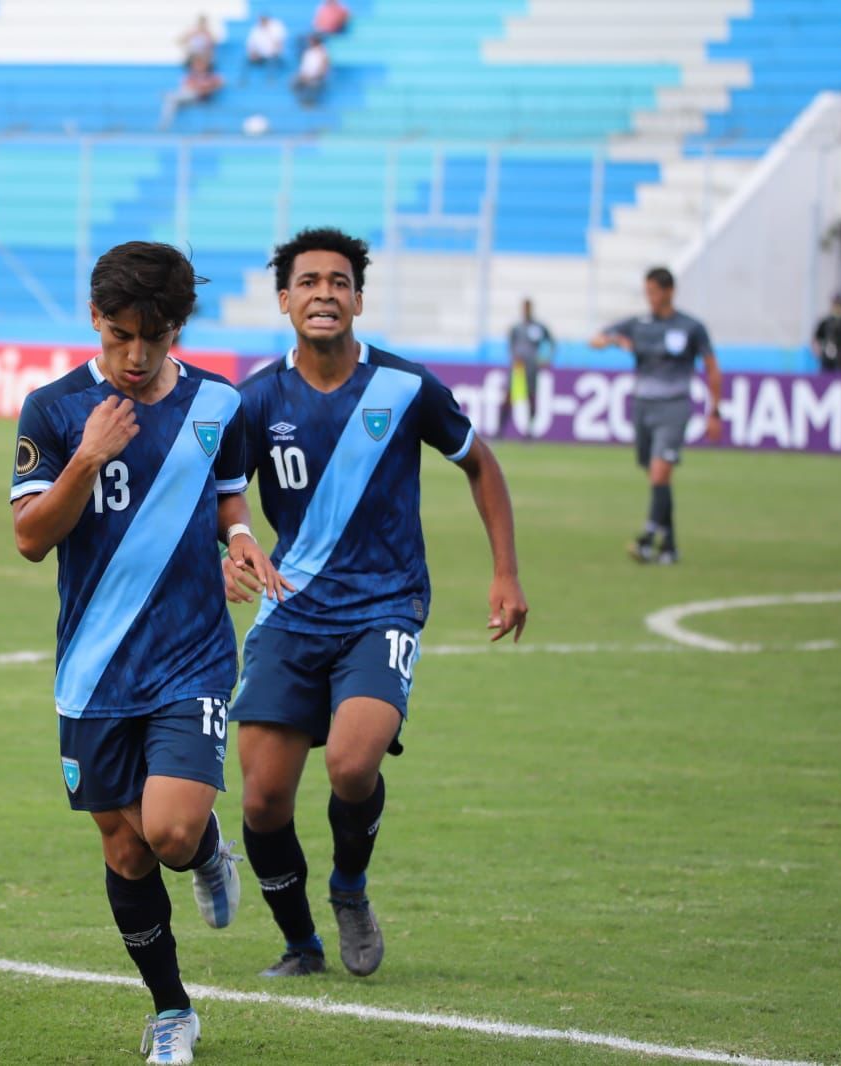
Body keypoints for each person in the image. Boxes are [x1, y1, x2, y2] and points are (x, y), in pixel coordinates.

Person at [224, 227, 529, 979]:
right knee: (262, 802)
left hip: (382, 608)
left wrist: (506, 574)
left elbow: (480, 465)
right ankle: (301, 943)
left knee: (353, 767)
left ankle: (350, 887)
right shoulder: (256, 399)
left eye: (338, 281)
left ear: (358, 299)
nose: (323, 292)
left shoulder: (405, 386)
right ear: (285, 299)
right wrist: (232, 542)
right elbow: (222, 498)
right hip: (289, 610)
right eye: (308, 282)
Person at [9, 242, 285, 1065]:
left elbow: (228, 498)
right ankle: (173, 1011)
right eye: (122, 334)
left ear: (177, 330)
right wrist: (89, 456)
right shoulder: (53, 410)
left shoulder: (218, 405)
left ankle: (204, 853)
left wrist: (239, 538)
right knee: (124, 847)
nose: (136, 355)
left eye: (154, 338)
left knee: (167, 830)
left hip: (191, 655)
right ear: (96, 318)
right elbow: (29, 539)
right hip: (92, 670)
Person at [590, 266, 722, 565]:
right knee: (656, 477)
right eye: (647, 292)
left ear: (669, 291)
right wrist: (614, 341)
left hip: (674, 407)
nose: (649, 298)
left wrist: (714, 410)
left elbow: (713, 367)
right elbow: (594, 339)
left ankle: (648, 538)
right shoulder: (639, 324)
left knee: (661, 471)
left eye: (654, 292)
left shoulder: (690, 327)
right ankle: (670, 546)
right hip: (642, 406)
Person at [504, 297, 555, 437]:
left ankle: (529, 431)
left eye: (528, 307)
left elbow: (551, 342)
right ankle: (500, 431)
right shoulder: (516, 327)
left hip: (532, 367)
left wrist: (546, 359)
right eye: (524, 307)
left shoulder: (538, 327)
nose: (526, 310)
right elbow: (511, 345)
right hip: (518, 367)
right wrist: (514, 357)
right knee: (508, 396)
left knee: (531, 397)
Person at [160, 53, 224, 130]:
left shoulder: (212, 76)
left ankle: (171, 96)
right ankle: (165, 121)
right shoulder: (191, 75)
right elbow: (186, 85)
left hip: (199, 97)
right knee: (174, 97)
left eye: (201, 63)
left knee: (172, 97)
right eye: (196, 63)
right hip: (189, 95)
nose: (198, 65)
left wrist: (204, 88)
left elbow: (219, 85)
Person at [293, 35, 330, 107]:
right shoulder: (308, 52)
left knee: (312, 84)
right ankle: (303, 100)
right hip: (306, 76)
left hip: (317, 77)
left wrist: (313, 76)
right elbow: (304, 67)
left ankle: (310, 101)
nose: (308, 42)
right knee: (295, 83)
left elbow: (324, 68)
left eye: (310, 41)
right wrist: (303, 75)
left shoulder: (323, 52)